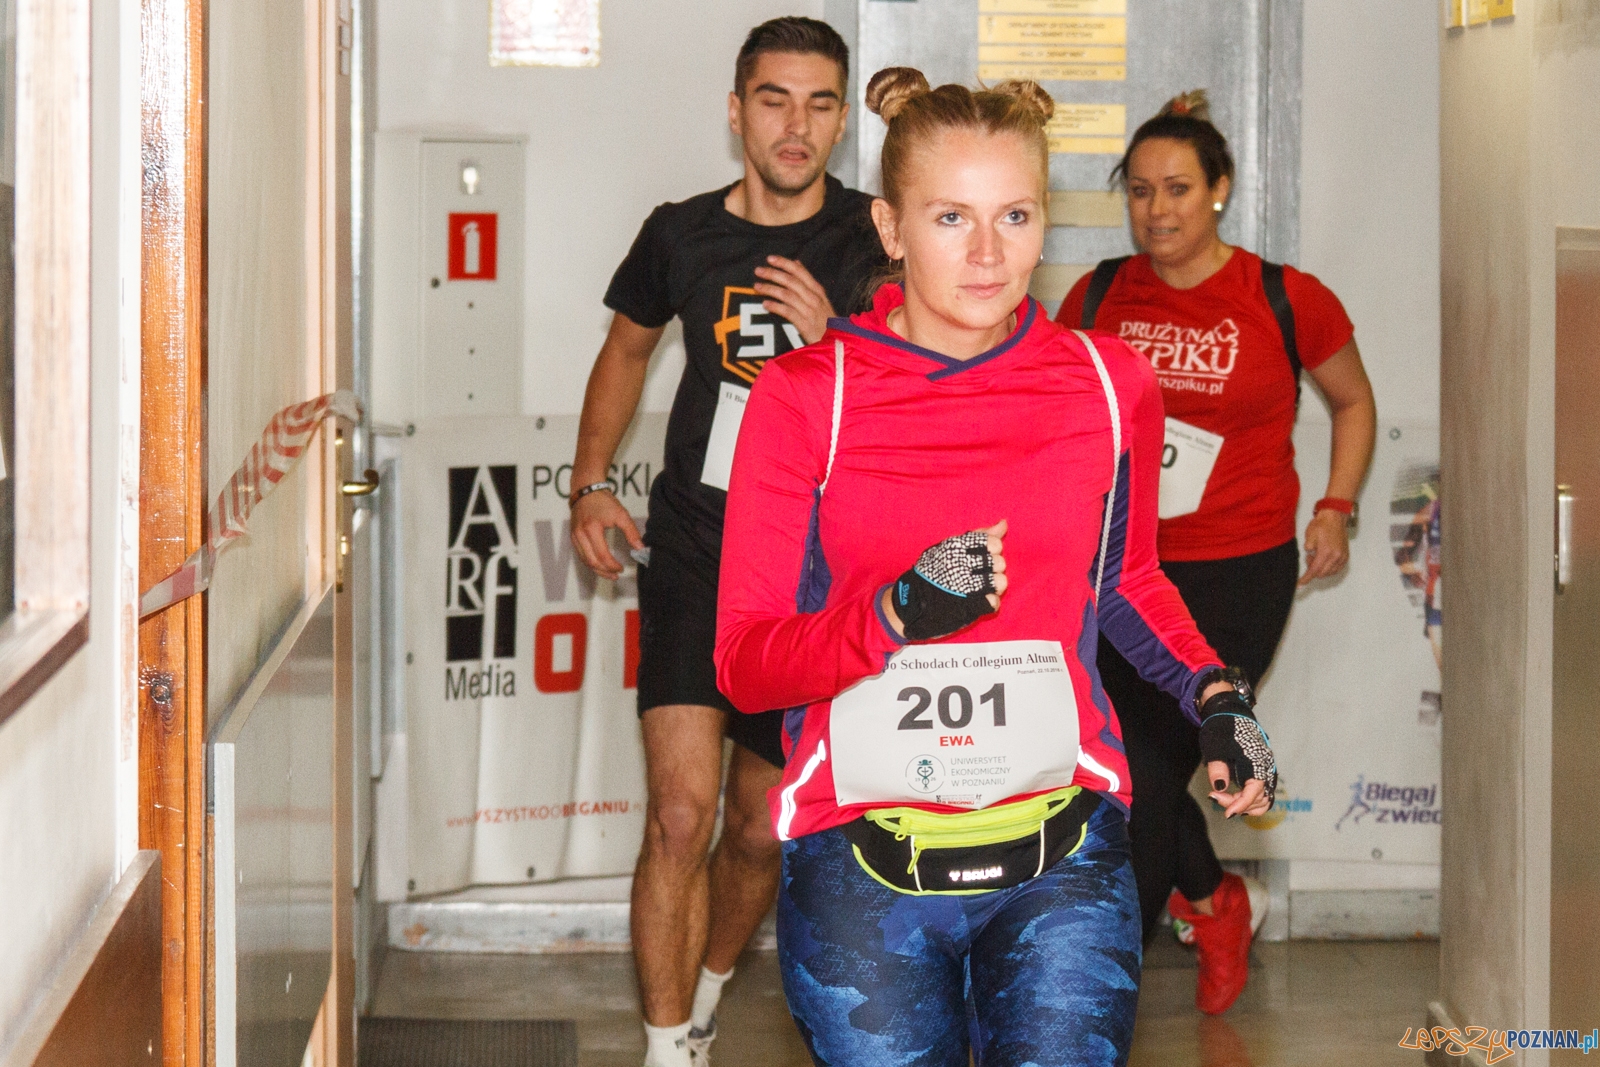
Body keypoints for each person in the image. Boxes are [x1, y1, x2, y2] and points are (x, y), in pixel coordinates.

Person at [715, 68, 1277, 1067]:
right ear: (889, 227)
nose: (987, 253)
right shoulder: (809, 396)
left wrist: (1215, 691)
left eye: (1014, 215)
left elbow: (1127, 584)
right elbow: (747, 662)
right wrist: (891, 613)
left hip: (1064, 859)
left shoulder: (1110, 383)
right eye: (949, 218)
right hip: (863, 869)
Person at [567, 18, 885, 1067]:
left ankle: (704, 992)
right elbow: (623, 352)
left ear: (842, 116)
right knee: (679, 811)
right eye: (773, 99)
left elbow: (921, 392)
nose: (795, 127)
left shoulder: (873, 239)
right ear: (736, 106)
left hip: (808, 568)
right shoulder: (680, 232)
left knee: (755, 829)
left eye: (819, 103)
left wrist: (836, 336)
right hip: (697, 548)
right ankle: (667, 1048)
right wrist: (588, 484)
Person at [1056, 90, 1377, 1015]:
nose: (1158, 210)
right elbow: (1069, 414)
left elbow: (1352, 401)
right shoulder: (1101, 293)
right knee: (1129, 776)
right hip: (1121, 574)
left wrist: (1336, 506)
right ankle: (1219, 901)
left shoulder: (1285, 295)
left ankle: (1093, 1003)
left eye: (1180, 190)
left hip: (1237, 572)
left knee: (1149, 775)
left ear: (1221, 191)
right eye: (1142, 191)